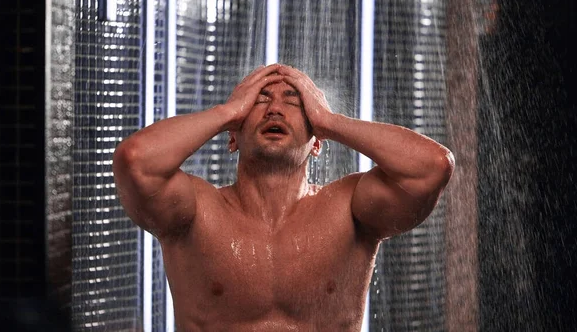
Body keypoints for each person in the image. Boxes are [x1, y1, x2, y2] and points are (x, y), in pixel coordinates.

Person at [112, 64, 455, 331]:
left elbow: (432, 167)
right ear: (232, 138)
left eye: (294, 102)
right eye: (259, 101)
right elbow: (135, 161)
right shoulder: (197, 212)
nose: (274, 109)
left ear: (317, 141)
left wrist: (330, 120)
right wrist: (226, 112)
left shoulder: (348, 209)